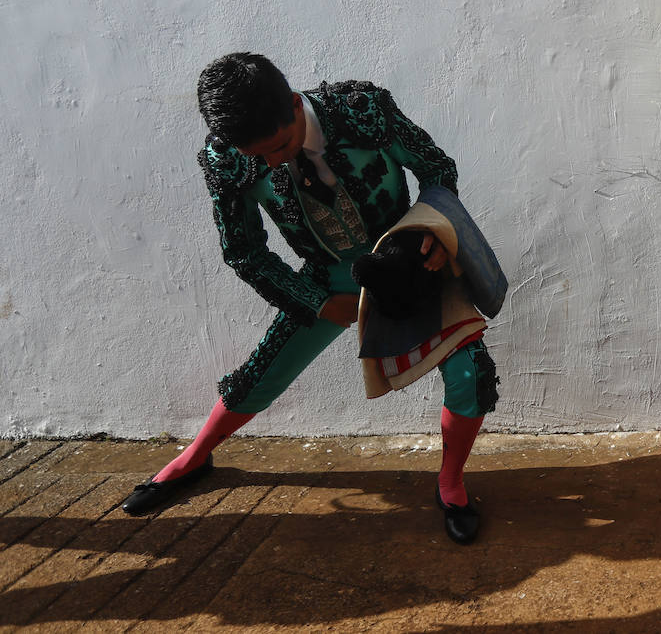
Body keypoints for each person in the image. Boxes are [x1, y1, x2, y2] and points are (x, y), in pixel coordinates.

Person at [121, 53, 499, 545]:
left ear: (297, 107)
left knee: (471, 372)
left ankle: (450, 484)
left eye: (279, 146)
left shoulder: (364, 108)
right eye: (259, 157)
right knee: (261, 373)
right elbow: (244, 252)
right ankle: (193, 458)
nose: (273, 162)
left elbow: (436, 169)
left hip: (407, 265)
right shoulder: (226, 156)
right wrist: (317, 303)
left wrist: (434, 232)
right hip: (325, 281)